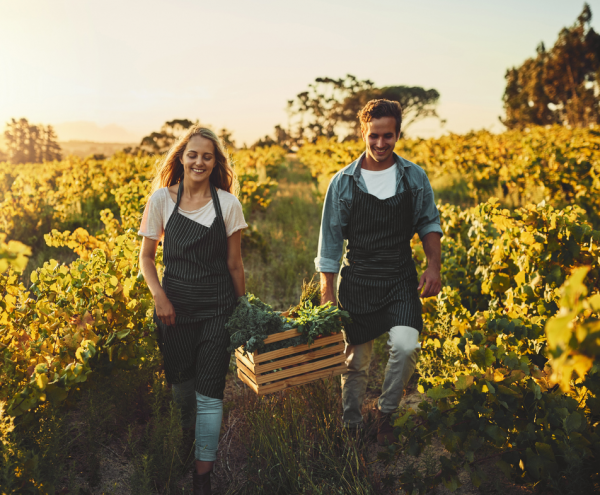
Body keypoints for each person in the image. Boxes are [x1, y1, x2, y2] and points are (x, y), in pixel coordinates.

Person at [316, 99, 443, 445]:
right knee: (356, 362)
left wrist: (434, 266)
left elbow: (428, 222)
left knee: (405, 346)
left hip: (400, 278)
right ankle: (352, 424)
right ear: (363, 133)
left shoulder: (414, 177)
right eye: (374, 136)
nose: (380, 144)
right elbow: (329, 244)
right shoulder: (342, 182)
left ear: (398, 133)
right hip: (358, 280)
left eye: (388, 136)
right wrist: (327, 291)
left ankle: (386, 414)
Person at [138, 126, 247, 494]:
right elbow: (146, 258)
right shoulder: (161, 200)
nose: (199, 161)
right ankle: (189, 435)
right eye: (193, 154)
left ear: (215, 163)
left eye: (207, 156)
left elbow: (235, 264)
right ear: (181, 159)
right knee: (182, 390)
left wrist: (242, 310)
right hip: (175, 309)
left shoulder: (228, 204)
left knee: (210, 393)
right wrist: (159, 297)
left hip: (218, 307)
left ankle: (203, 473)